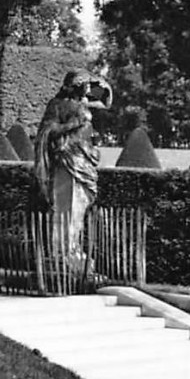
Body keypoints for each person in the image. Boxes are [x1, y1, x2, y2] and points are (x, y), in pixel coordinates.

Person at [33, 70, 112, 266]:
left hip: (84, 160)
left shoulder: (83, 104)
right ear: (75, 86)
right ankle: (62, 254)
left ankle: (73, 249)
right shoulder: (57, 104)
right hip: (67, 160)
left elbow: (106, 103)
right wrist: (71, 125)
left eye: (87, 87)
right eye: (84, 86)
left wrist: (102, 85)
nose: (87, 90)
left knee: (79, 207)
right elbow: (47, 131)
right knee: (66, 207)